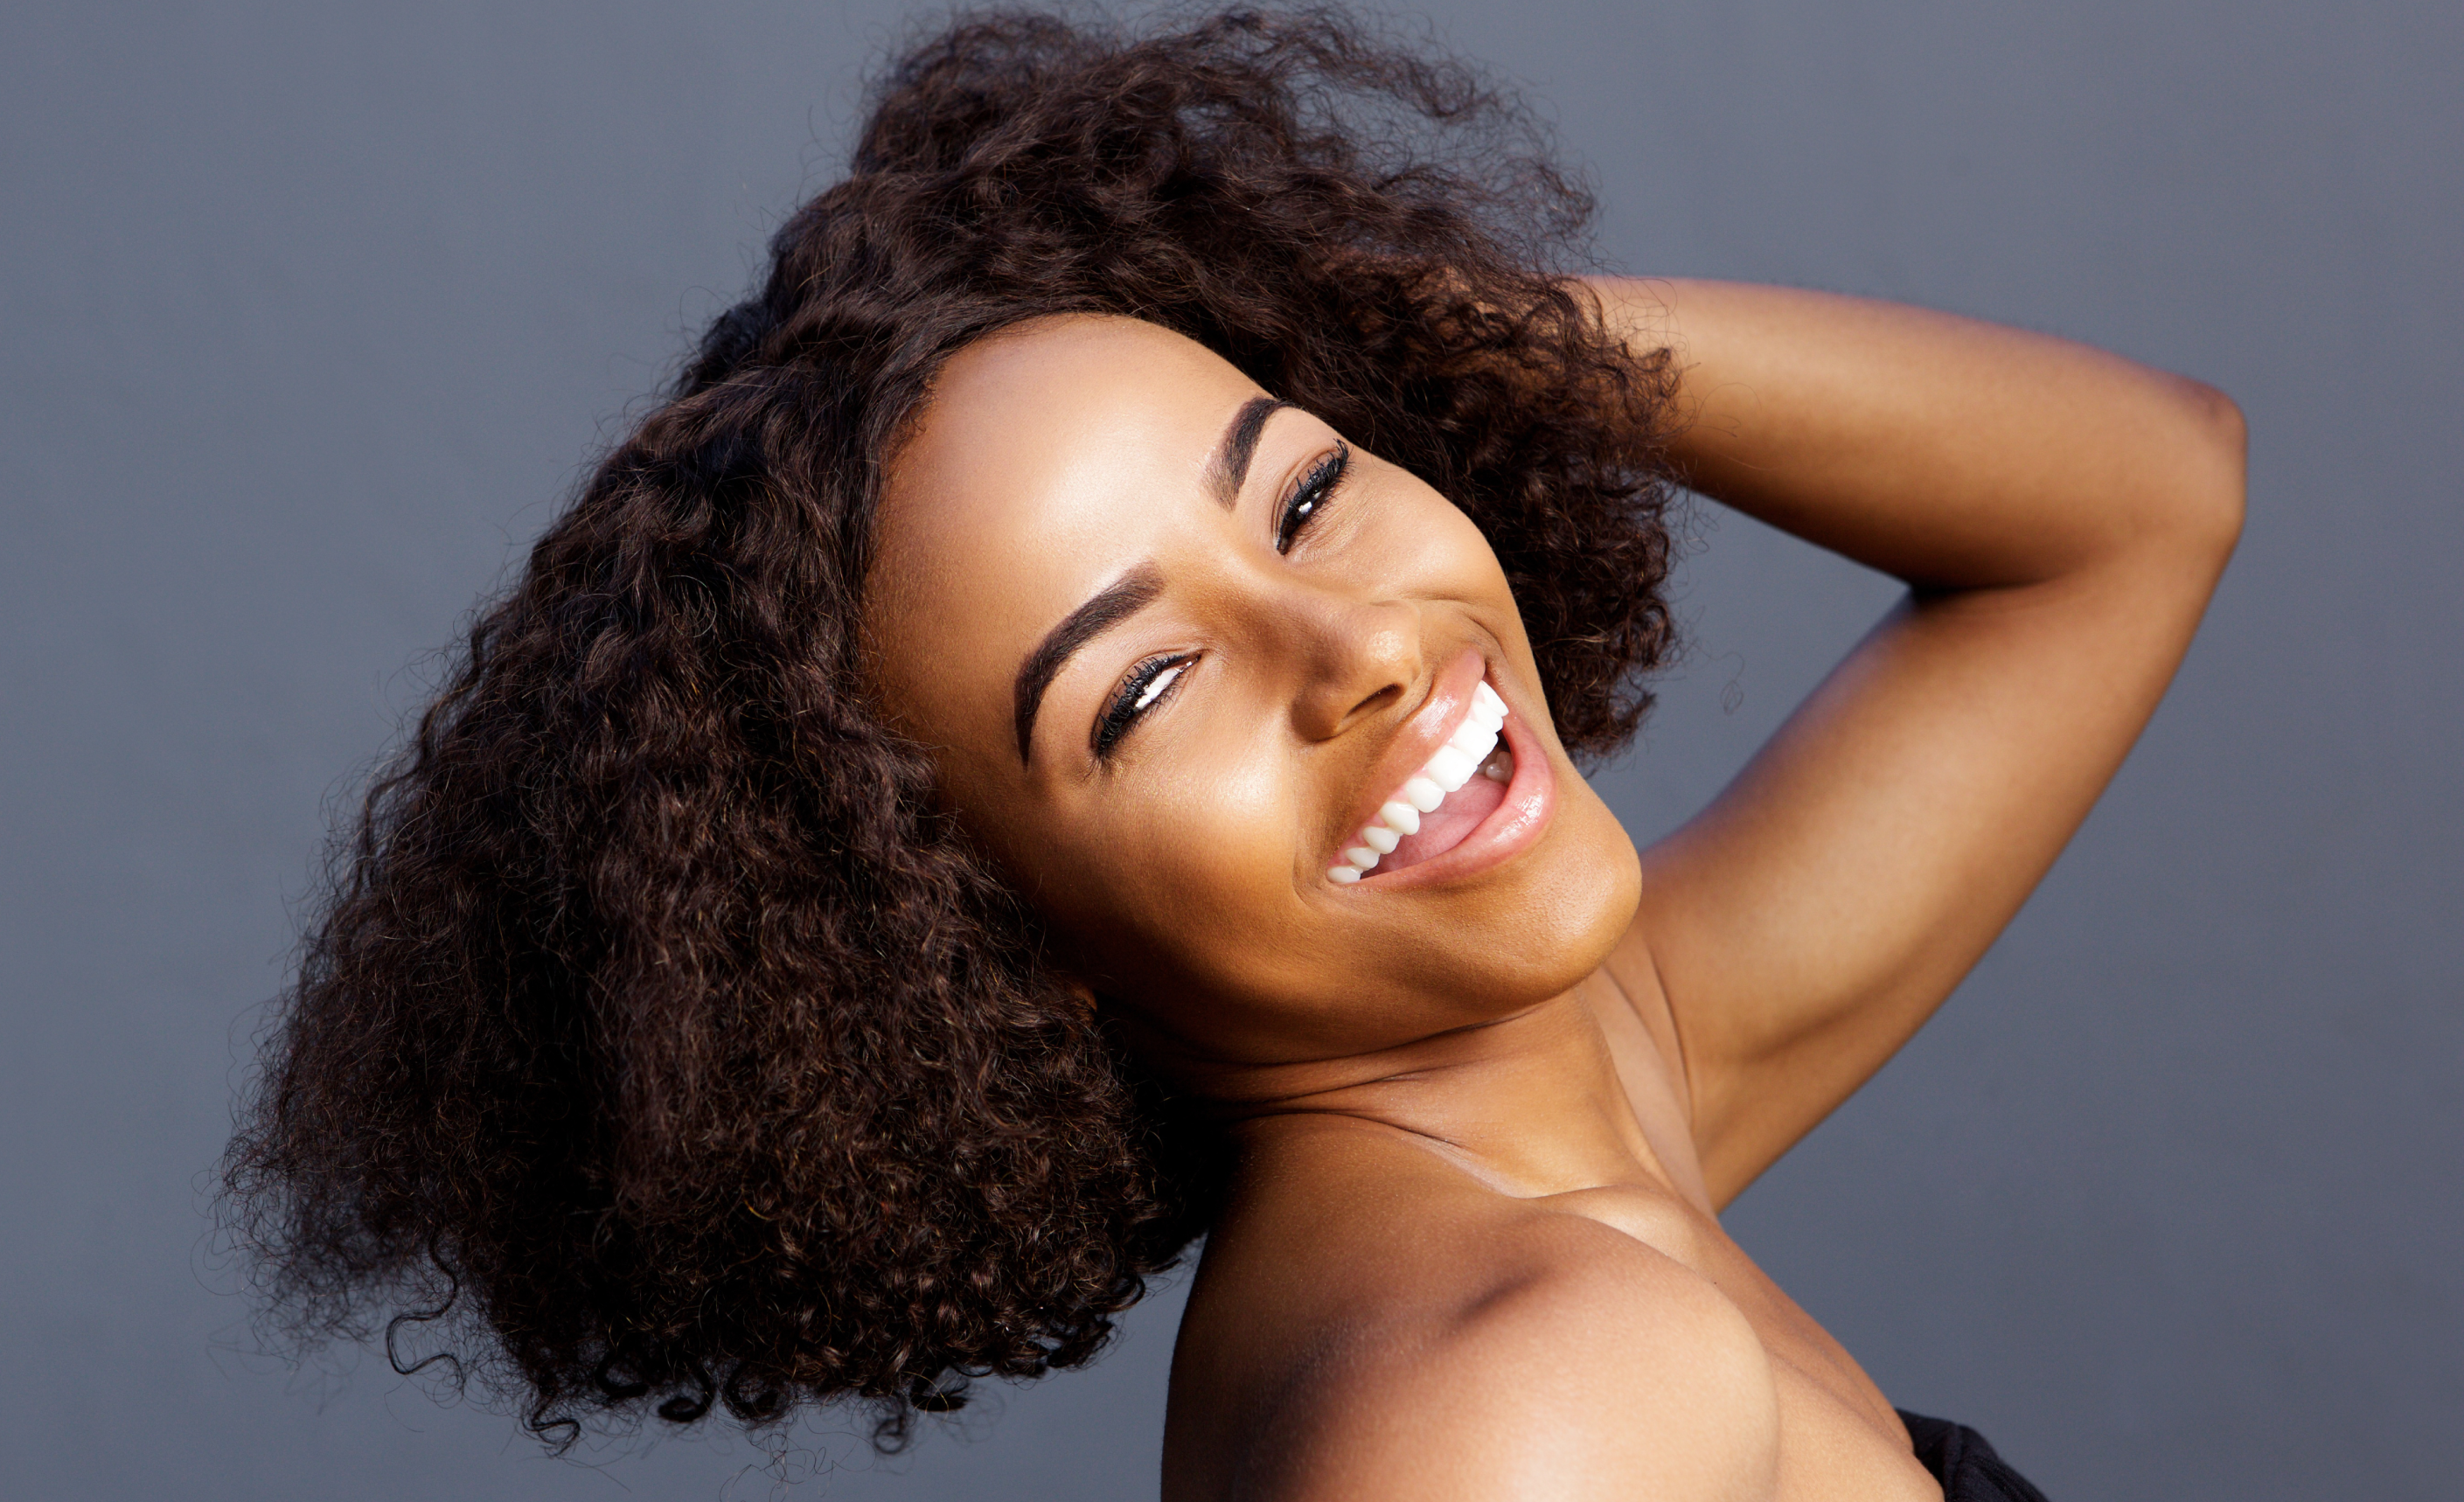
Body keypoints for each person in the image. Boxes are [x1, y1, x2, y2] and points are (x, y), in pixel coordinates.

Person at [223, 10, 2244, 1499]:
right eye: (1136, 693)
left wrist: (1376, 318)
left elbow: (2134, 500)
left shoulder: (1584, 1104)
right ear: (995, 948)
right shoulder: (1518, 1394)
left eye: (1297, 497)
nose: (1355, 645)